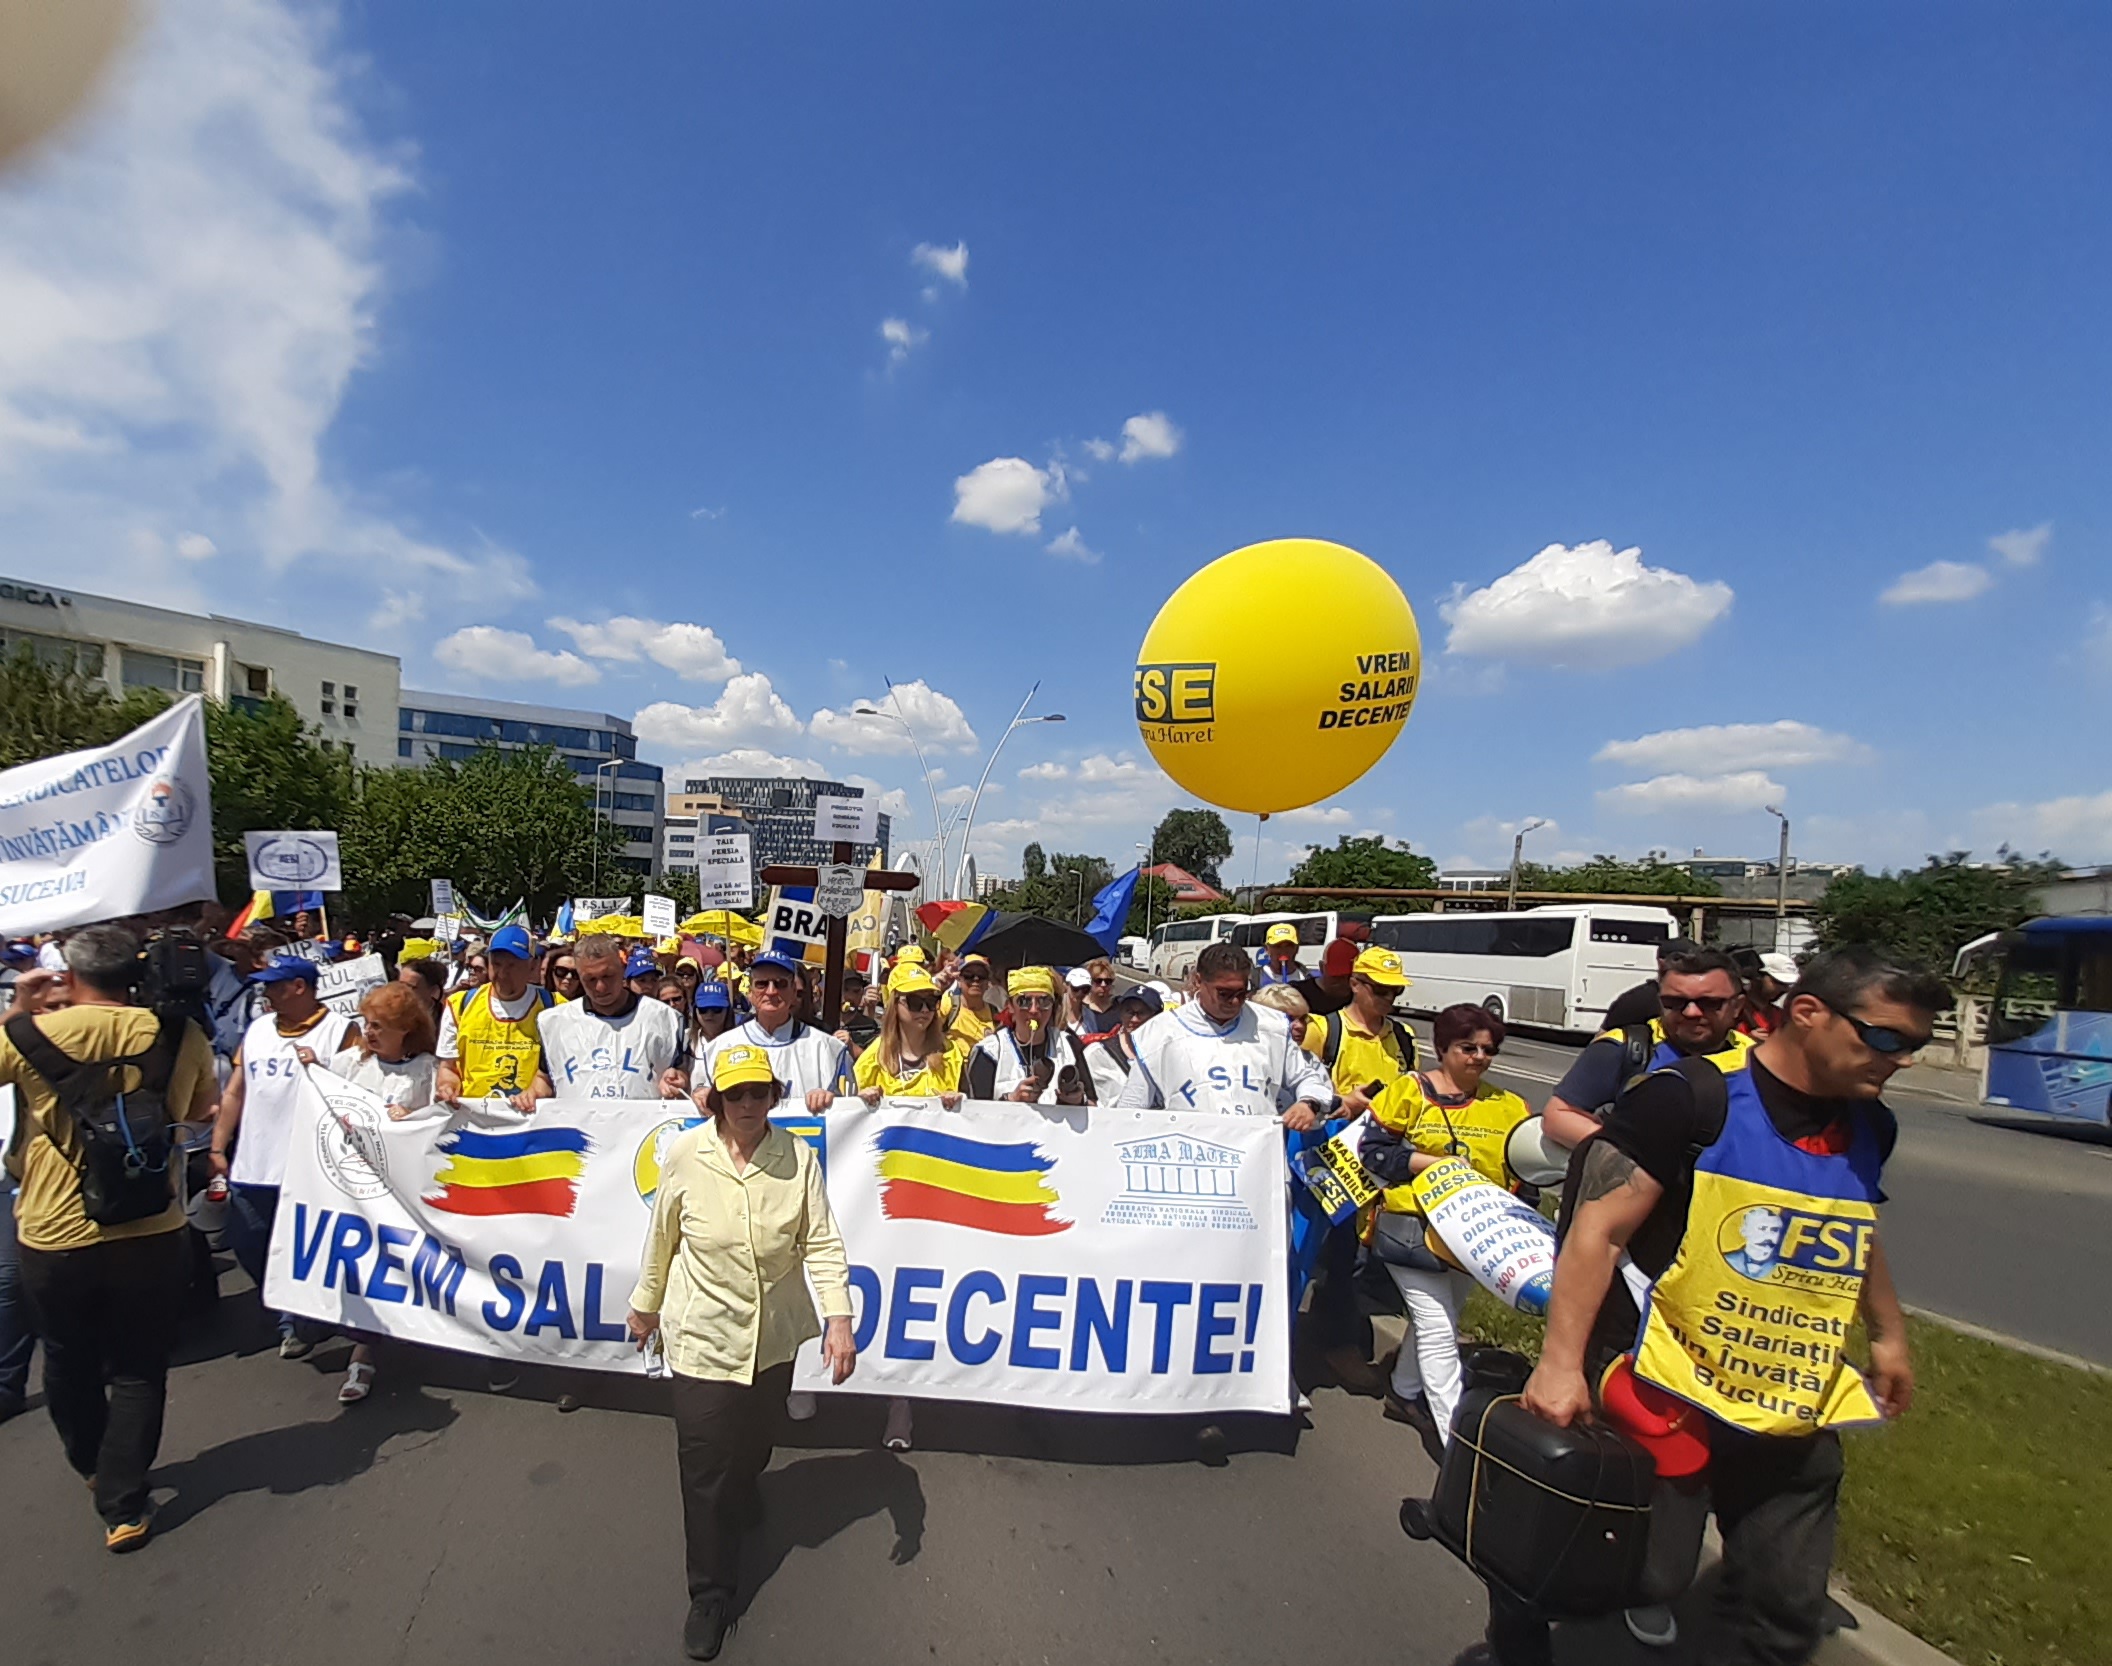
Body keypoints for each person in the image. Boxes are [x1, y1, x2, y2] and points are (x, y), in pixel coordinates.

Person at [1501, 947, 1939, 1666]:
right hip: (1668, 1380)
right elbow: (1598, 1231)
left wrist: (1887, 1335)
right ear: (1807, 1014)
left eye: (1915, 1044)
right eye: (1886, 1037)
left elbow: (1852, 1227)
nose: (1904, 1059)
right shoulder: (1688, 1099)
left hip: (1790, 1394)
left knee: (1788, 1609)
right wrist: (1560, 1365)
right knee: (1648, 1574)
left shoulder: (1870, 1125)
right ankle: (1521, 1624)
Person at [628, 1042, 856, 1662]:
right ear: (717, 1101)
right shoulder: (685, 1155)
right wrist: (645, 1305)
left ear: (773, 1097)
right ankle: (710, 1593)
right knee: (703, 1464)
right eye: (736, 1095)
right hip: (701, 1331)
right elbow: (662, 1236)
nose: (749, 1104)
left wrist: (839, 1319)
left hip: (773, 1336)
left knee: (754, 1441)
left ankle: (747, 1478)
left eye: (760, 1093)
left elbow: (823, 1243)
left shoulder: (798, 1157)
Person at [2, 926, 217, 1550]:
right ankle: (124, 1500)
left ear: (67, 975)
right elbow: (201, 1111)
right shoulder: (182, 1033)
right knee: (139, 1365)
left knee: (67, 1356)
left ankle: (93, 1465)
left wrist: (20, 1006)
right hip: (150, 1227)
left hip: (54, 1229)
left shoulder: (26, 1034)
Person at [1366, 1003, 1531, 1448]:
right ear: (1442, 1048)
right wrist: (1434, 1164)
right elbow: (1374, 1153)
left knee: (1440, 1318)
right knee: (1440, 1329)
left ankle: (1402, 1392)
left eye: (1488, 1049)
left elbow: (1526, 1171)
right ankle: (1456, 1440)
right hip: (1414, 1230)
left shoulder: (1509, 1105)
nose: (1479, 1057)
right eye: (1468, 1047)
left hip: (1479, 1234)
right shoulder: (1409, 1091)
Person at [211, 954, 360, 1358]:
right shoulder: (258, 1030)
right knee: (248, 1241)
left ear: (300, 987)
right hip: (253, 1164)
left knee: (305, 1250)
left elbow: (357, 1092)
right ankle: (289, 1309)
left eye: (276, 985)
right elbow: (236, 1091)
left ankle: (297, 1319)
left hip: (308, 1165)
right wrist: (218, 1145)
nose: (267, 992)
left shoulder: (339, 1032)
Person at [300, 981, 439, 1404]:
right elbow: (320, 1088)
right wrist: (310, 1064)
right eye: (367, 1024)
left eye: (380, 1026)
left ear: (405, 1030)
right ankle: (363, 1353)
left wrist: (414, 1115)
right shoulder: (350, 1063)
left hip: (405, 1193)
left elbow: (442, 1120)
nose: (371, 1032)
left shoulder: (427, 1070)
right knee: (362, 1269)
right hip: (352, 1189)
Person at [1540, 947, 1754, 1151]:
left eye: (1709, 1003)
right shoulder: (1624, 1046)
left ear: (1737, 1006)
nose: (1691, 1012)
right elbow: (1559, 1116)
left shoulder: (1758, 1059)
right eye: (1674, 1002)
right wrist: (1630, 1153)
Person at [1116, 941, 1332, 1128]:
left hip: (1257, 1157)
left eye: (1242, 993)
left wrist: (1308, 1103)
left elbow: (1308, 1076)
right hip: (1190, 1158)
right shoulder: (1158, 1033)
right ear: (1198, 982)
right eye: (1225, 994)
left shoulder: (1272, 1025)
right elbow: (1131, 1110)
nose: (1235, 1002)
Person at [535, 933, 692, 1102]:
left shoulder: (664, 1018)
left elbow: (682, 1071)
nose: (600, 987)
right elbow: (545, 1078)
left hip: (643, 1125)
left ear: (622, 969)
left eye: (607, 976)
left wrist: (677, 1078)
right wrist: (533, 1093)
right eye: (590, 979)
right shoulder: (555, 1023)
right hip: (579, 1126)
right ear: (580, 977)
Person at [696, 952, 850, 1114]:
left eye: (780, 984)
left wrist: (832, 1099)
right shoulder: (718, 1048)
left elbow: (850, 1114)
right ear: (750, 993)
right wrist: (700, 1094)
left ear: (793, 991)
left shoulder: (830, 1049)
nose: (771, 991)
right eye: (761, 984)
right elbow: (701, 1100)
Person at [436, 924, 554, 1109]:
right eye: (496, 964)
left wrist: (538, 1089)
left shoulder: (555, 1008)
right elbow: (447, 1067)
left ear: (532, 966)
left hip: (528, 1121)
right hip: (474, 1120)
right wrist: (448, 1086)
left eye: (512, 965)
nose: (503, 973)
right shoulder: (459, 1005)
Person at [1303, 946, 1418, 1113]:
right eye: (1381, 990)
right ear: (1354, 984)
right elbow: (1297, 1089)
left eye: (1397, 991)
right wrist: (1343, 1101)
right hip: (1338, 1133)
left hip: (1389, 1135)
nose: (1389, 997)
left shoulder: (1404, 1035)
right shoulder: (1322, 1030)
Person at [964, 968, 1095, 1103]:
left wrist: (1079, 1100)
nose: (1034, 1010)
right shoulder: (990, 1051)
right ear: (1010, 1006)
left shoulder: (1069, 1045)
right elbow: (976, 1112)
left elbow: (1094, 1105)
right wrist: (1012, 1098)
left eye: (1044, 1002)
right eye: (1024, 1001)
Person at [853, 967, 966, 1104]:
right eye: (915, 1002)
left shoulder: (951, 1054)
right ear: (894, 1004)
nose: (924, 1010)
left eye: (931, 1001)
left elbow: (973, 1112)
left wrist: (960, 1101)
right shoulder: (872, 1059)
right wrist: (861, 1099)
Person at [1601, 936, 1703, 1031]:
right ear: (1661, 962)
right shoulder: (1636, 1001)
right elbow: (1601, 1042)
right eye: (1680, 960)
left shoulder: (1705, 1000)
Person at [1083, 984, 1162, 1104]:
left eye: (1142, 1013)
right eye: (1129, 1012)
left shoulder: (1168, 1055)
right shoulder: (1097, 1054)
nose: (1134, 1019)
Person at [939, 952, 1001, 1048]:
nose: (975, 980)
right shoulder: (949, 1003)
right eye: (968, 975)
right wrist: (938, 986)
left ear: (988, 983)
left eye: (981, 975)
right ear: (959, 981)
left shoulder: (995, 1014)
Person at [1289, 937, 1359, 1019]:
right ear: (1322, 967)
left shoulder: (1362, 997)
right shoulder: (1297, 994)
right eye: (1336, 977)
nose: (1343, 982)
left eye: (1349, 976)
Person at [1737, 951, 1799, 1040]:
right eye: (1778, 982)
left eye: (1787, 984)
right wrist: (1747, 1040)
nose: (1784, 989)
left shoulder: (1781, 1016)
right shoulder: (1733, 1011)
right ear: (1757, 976)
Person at [1072, 957, 1122, 1040]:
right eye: (1098, 981)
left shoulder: (1119, 1005)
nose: (1103, 985)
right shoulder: (1080, 1008)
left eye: (1107, 981)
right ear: (1090, 982)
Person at [836, 967, 880, 1057]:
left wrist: (851, 1046)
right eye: (845, 990)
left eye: (856, 991)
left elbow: (871, 1060)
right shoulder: (823, 1019)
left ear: (861, 994)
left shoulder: (868, 1025)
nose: (850, 996)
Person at [1250, 982, 1311, 1046]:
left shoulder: (1309, 1055)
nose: (1300, 1026)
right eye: (1290, 1019)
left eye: (1303, 1019)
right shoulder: (1244, 1053)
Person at [397, 954, 448, 1022]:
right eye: (400, 984)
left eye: (410, 986)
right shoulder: (390, 1015)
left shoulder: (447, 1017)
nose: (402, 991)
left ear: (433, 990)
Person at [1256, 922, 1303, 987]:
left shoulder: (1308, 977)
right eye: (1277, 946)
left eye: (1289, 946)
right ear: (1267, 949)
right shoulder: (1256, 978)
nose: (1283, 951)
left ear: (1297, 948)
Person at [692, 981, 735, 1050]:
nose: (709, 1014)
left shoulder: (740, 1040)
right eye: (703, 1009)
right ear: (695, 1011)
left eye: (716, 1009)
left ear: (727, 1010)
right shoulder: (685, 1042)